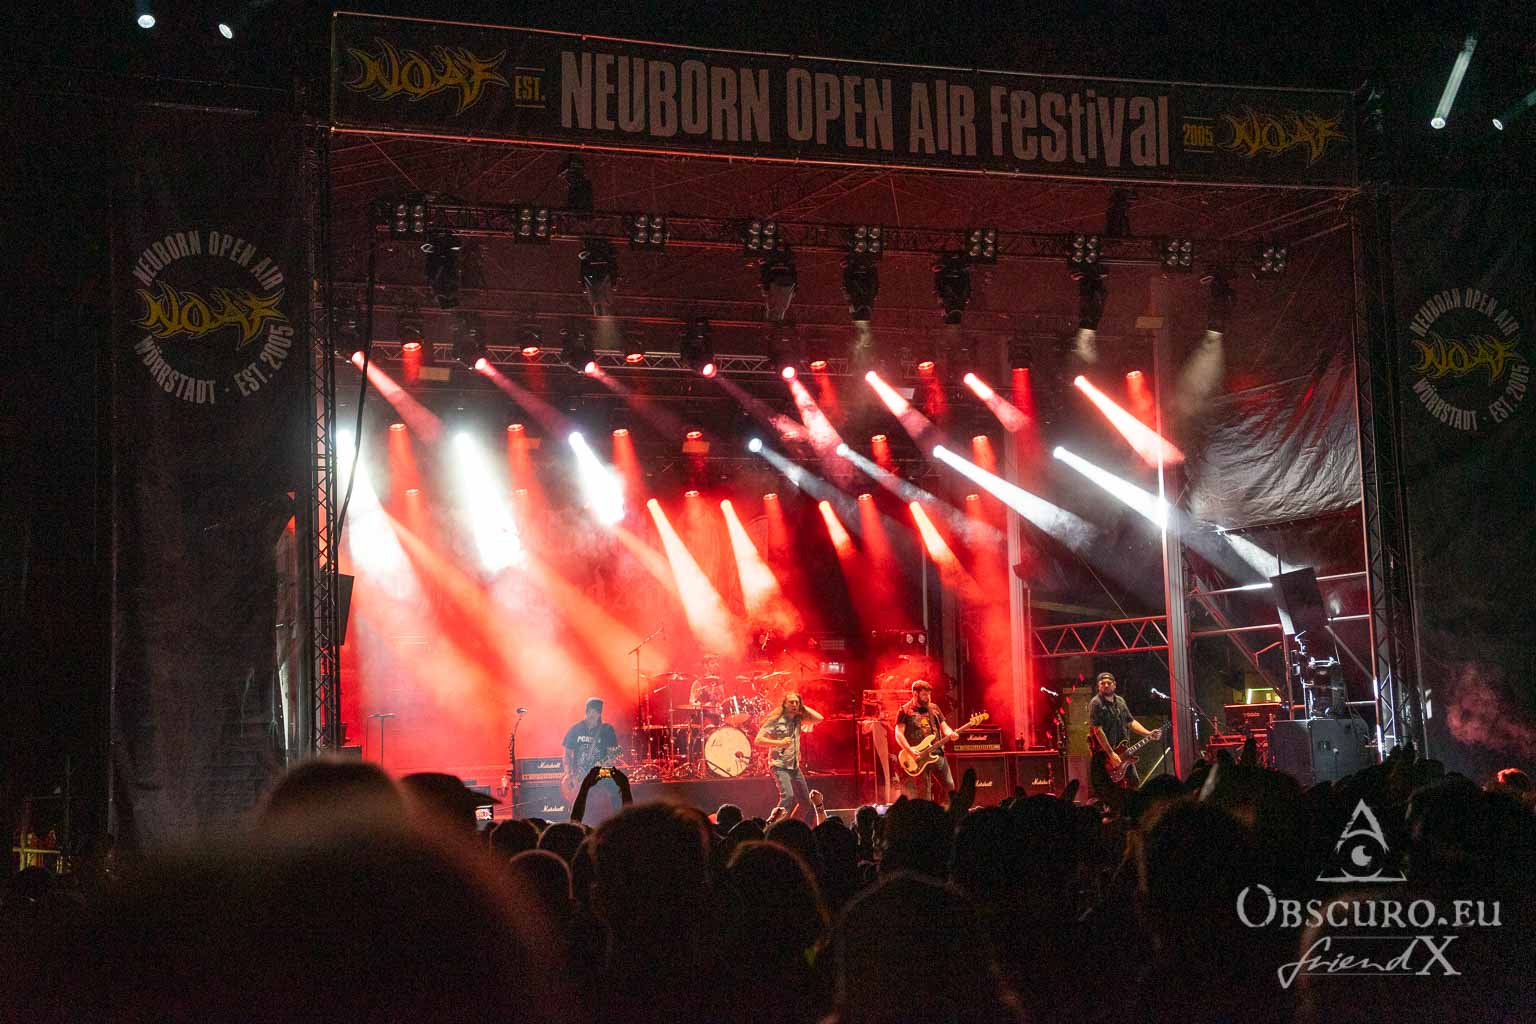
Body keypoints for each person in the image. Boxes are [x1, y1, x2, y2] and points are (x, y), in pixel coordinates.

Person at [1087, 672, 1162, 801]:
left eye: (1109, 683)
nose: (1106, 685)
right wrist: (1111, 754)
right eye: (1102, 683)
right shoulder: (1096, 703)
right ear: (1098, 686)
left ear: (1114, 685)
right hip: (1104, 756)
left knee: (1133, 783)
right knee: (1107, 790)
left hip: (1122, 751)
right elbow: (1097, 730)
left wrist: (1148, 733)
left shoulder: (1120, 701)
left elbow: (1130, 722)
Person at [755, 691, 824, 820]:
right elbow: (758, 740)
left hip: (794, 767)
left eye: (797, 702)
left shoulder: (798, 720)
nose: (794, 704)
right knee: (788, 797)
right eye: (791, 702)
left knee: (805, 802)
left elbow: (819, 718)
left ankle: (792, 826)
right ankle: (772, 826)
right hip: (779, 765)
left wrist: (803, 707)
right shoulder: (775, 720)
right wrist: (779, 743)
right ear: (784, 704)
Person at [894, 680, 956, 802]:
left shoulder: (934, 708)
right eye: (924, 695)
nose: (927, 697)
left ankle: (948, 811)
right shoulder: (905, 710)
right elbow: (898, 733)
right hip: (919, 758)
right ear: (915, 694)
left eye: (929, 694)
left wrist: (950, 733)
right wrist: (909, 750)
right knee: (924, 793)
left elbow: (945, 727)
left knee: (950, 786)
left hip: (937, 754)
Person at [562, 698, 621, 816]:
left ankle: (618, 817)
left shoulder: (606, 730)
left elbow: (611, 756)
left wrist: (606, 763)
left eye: (595, 712)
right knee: (576, 806)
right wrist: (568, 774)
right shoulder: (576, 729)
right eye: (589, 711)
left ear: (600, 714)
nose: (592, 715)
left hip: (600, 771)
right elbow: (567, 754)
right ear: (585, 712)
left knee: (617, 788)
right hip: (578, 775)